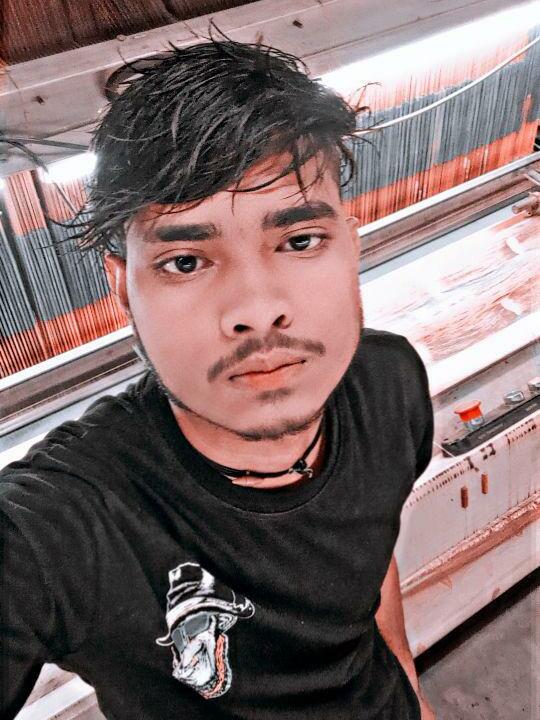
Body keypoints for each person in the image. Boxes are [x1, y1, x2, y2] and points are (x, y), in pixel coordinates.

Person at [0, 36, 436, 719]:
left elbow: (369, 557)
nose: (257, 309)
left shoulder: (390, 383)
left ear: (350, 248)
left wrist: (411, 687)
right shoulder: (65, 524)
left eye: (299, 241)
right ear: (123, 289)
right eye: (185, 261)